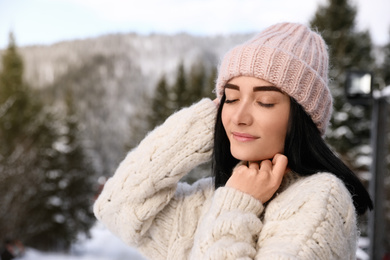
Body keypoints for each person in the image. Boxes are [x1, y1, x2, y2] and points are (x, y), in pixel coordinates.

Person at [94, 22, 373, 259]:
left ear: (301, 119)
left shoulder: (321, 198)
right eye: (231, 97)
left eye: (264, 102)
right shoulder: (215, 195)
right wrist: (204, 124)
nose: (239, 116)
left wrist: (237, 205)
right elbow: (117, 207)